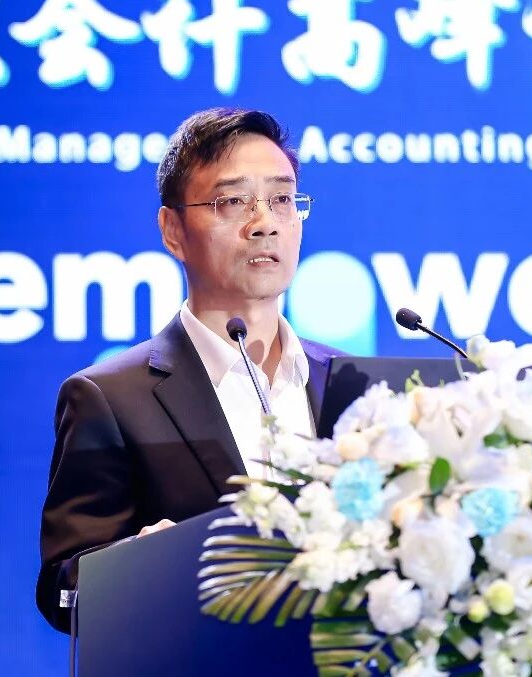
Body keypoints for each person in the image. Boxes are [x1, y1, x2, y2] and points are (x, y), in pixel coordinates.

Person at [36, 108, 344, 633]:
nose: (265, 222)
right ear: (172, 230)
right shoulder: (110, 398)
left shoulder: (349, 383)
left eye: (281, 199)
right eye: (233, 202)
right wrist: (137, 566)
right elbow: (62, 592)